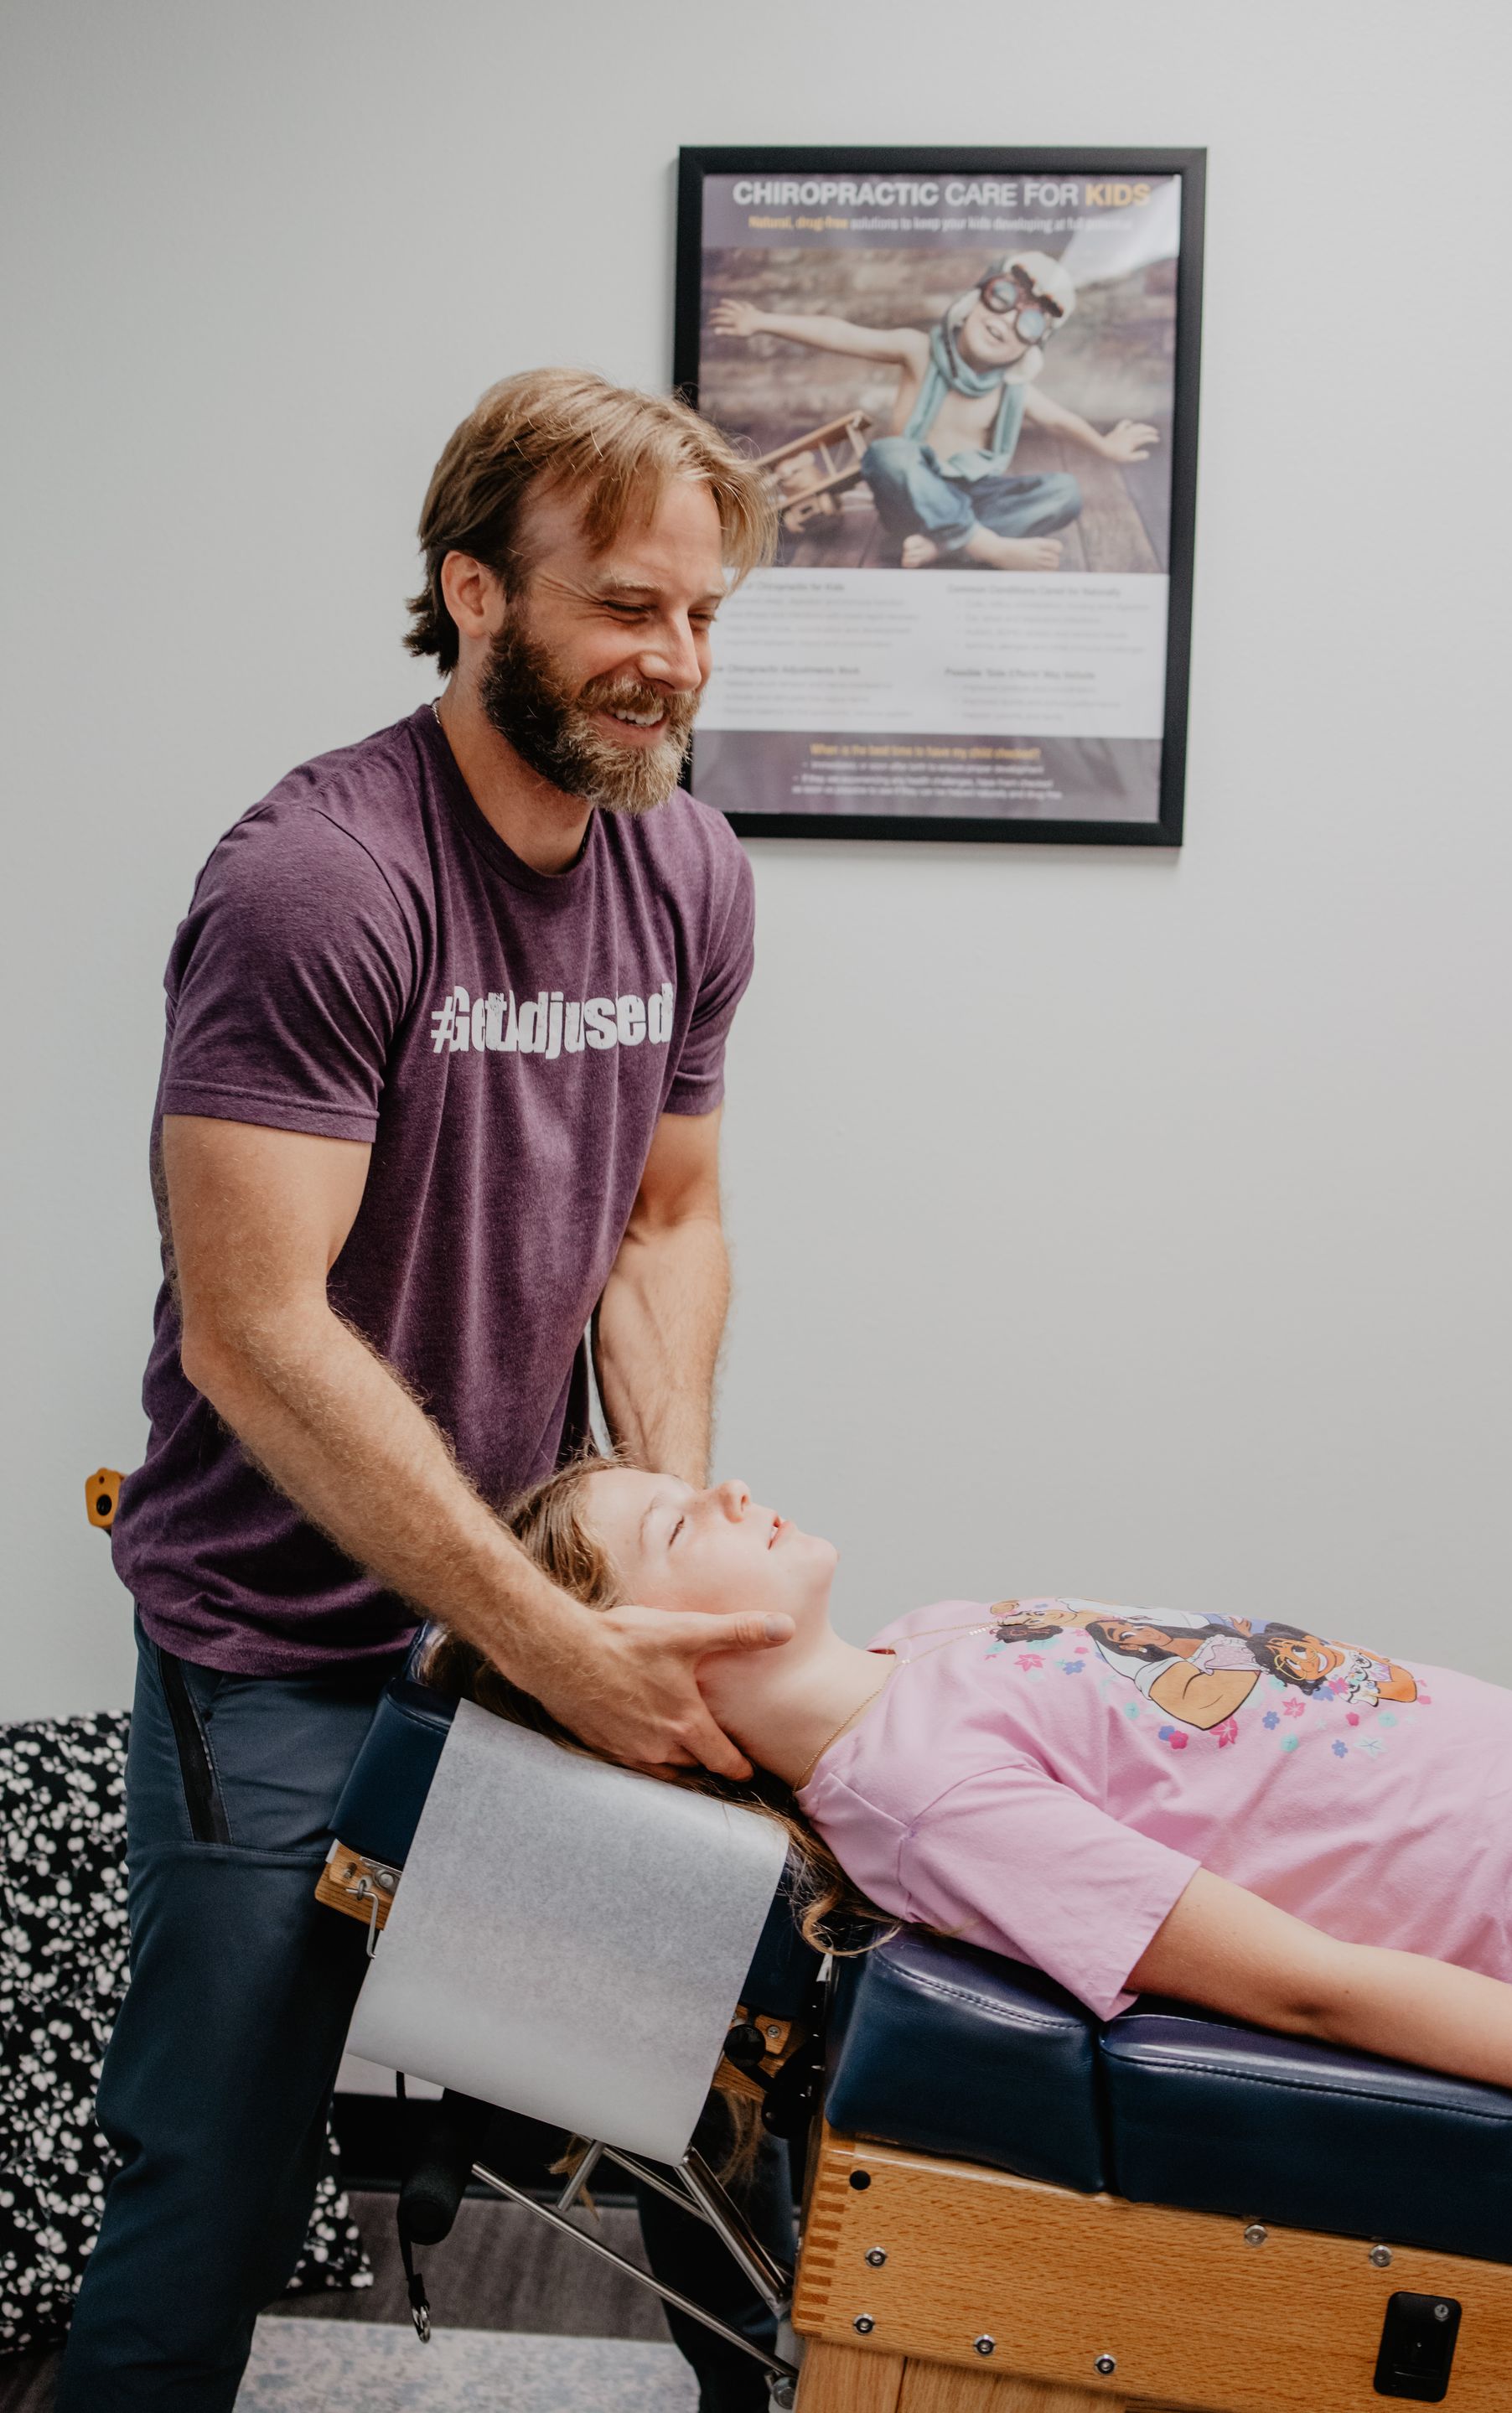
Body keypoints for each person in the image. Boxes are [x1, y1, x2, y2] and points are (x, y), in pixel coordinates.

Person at [62, 371, 795, 2413]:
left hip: (535, 1613)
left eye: (702, 613)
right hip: (276, 1639)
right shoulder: (321, 878)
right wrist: (557, 1639)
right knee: (215, 2173)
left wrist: (650, 1552)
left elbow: (664, 1220)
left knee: (702, 2122)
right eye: (624, 605)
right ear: (474, 589)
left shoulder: (688, 871)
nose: (674, 661)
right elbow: (256, 1328)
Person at [434, 1457, 1512, 2121]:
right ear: (631, 1669)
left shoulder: (928, 1635)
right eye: (678, 1524)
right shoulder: (924, 1802)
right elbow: (1311, 1989)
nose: (731, 1489)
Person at [711, 252, 1158, 571]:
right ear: (975, 298)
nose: (1005, 322)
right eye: (1002, 298)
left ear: (1033, 346)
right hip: (909, 497)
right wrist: (764, 321)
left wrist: (1105, 447)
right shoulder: (919, 352)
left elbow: (1060, 420)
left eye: (1029, 323)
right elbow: (845, 334)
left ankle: (945, 543)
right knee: (887, 453)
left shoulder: (1011, 388)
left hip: (970, 494)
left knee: (1066, 492)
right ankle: (981, 543)